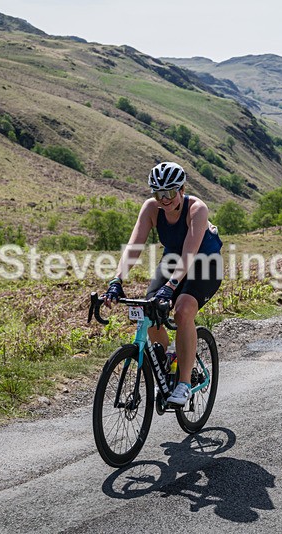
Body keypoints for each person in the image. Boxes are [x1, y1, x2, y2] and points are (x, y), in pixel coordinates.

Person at [103, 162, 223, 406]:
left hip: (205, 263)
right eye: (158, 194)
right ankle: (167, 360)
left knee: (183, 310)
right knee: (150, 307)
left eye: (169, 193)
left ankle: (184, 383)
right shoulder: (151, 208)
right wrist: (117, 279)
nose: (164, 199)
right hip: (172, 261)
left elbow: (190, 254)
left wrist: (171, 286)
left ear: (182, 189)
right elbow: (134, 245)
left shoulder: (197, 209)